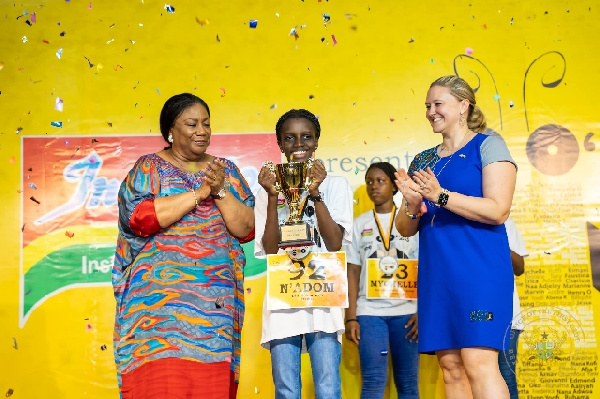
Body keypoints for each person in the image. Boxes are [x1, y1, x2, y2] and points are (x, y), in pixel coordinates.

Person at [112, 93, 255, 399]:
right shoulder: (149, 168)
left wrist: (220, 190)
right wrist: (200, 193)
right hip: (158, 312)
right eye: (192, 124)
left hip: (214, 314)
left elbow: (246, 228)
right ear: (170, 131)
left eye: (206, 123)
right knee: (165, 386)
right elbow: (139, 217)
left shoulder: (224, 170)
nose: (201, 130)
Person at [395, 75, 517, 399]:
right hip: (438, 278)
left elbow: (498, 209)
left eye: (438, 104)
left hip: (480, 276)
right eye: (427, 106)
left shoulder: (488, 145)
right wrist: (410, 202)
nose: (431, 112)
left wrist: (441, 195)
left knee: (478, 362)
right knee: (450, 368)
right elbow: (405, 229)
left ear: (463, 106)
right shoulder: (422, 159)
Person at [255, 109, 353, 399]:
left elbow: (334, 244)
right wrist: (273, 196)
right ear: (280, 143)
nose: (299, 144)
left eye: (306, 137)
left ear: (317, 141)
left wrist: (315, 192)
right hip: (283, 298)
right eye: (290, 138)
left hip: (323, 296)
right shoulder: (266, 191)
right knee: (286, 389)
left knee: (327, 387)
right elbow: (271, 250)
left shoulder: (336, 185)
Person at [346, 162, 420, 399]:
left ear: (395, 186)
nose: (373, 186)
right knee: (373, 382)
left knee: (408, 384)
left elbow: (427, 269)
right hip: (370, 312)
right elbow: (353, 272)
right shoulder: (360, 224)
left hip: (408, 313)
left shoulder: (412, 220)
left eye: (380, 181)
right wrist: (351, 316)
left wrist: (424, 311)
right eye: (369, 181)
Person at [499, 216, 528, 399]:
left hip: (507, 315)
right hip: (477, 314)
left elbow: (519, 268)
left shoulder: (505, 223)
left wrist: (498, 241)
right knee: (474, 372)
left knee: (507, 375)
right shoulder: (463, 223)